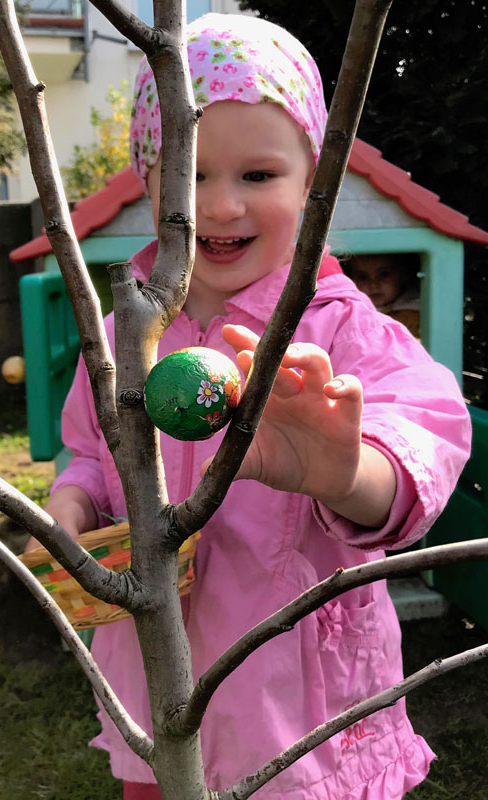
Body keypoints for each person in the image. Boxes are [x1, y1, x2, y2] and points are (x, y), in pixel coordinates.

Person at [30, 14, 471, 800]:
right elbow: (95, 452)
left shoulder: (339, 329)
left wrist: (347, 471)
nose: (221, 207)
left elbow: (425, 435)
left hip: (304, 720)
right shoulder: (125, 333)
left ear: (311, 183)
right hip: (163, 690)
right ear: (147, 178)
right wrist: (74, 499)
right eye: (189, 174)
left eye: (258, 176)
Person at [348, 253, 421, 339]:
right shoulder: (349, 315)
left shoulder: (416, 315)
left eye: (384, 275)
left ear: (404, 275)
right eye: (363, 277)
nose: (373, 285)